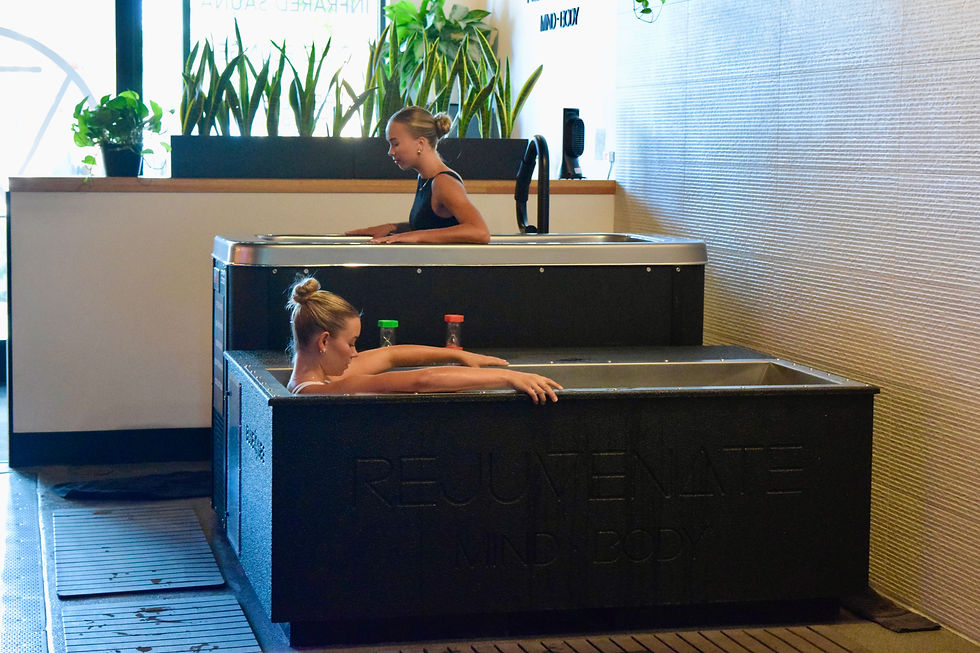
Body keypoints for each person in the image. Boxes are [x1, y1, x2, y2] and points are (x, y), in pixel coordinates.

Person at [285, 277, 561, 403]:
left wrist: (457, 355)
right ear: (323, 342)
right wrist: (509, 379)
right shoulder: (321, 392)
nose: (355, 353)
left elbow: (390, 356)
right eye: (351, 343)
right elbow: (422, 381)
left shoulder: (316, 378)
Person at [345, 106, 491, 244]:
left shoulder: (444, 182)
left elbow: (479, 231)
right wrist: (392, 228)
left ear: (420, 143)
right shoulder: (425, 178)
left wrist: (414, 236)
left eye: (395, 144)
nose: (390, 152)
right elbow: (432, 226)